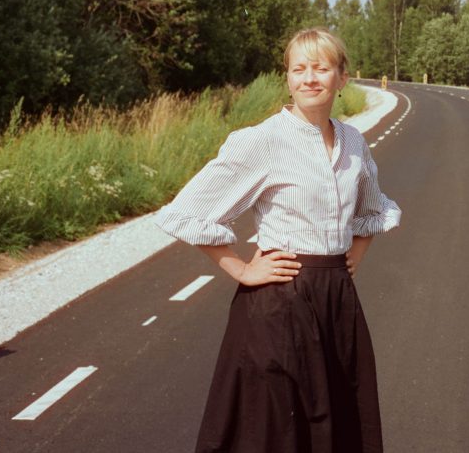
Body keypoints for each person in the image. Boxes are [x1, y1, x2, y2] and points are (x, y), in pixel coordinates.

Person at [153, 27, 401, 453]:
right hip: (277, 304)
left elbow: (373, 209)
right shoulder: (264, 141)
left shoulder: (354, 142)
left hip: (336, 303)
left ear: (342, 78)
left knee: (336, 428)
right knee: (275, 432)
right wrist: (242, 269)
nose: (309, 78)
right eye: (298, 69)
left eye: (321, 68)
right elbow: (185, 211)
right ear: (287, 78)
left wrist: (352, 257)